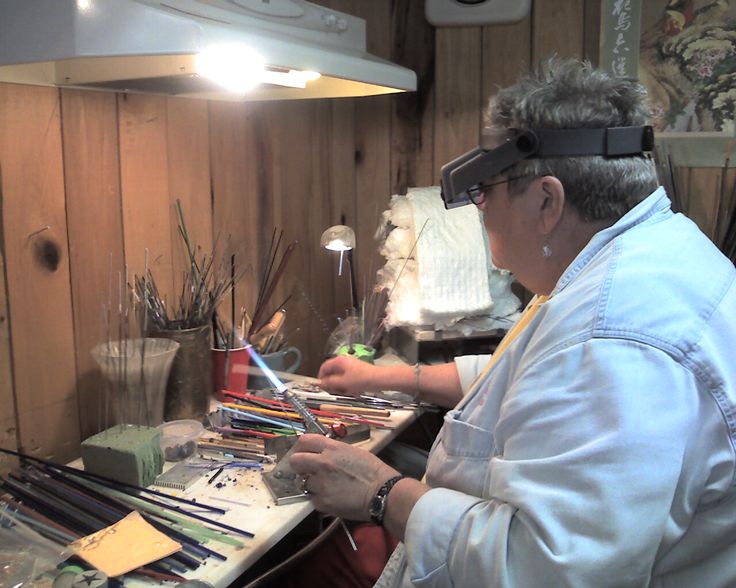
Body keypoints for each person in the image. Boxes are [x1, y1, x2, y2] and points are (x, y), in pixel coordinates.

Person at [289, 57, 736, 587]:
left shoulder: (611, 337)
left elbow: (541, 570)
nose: (478, 208)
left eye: (488, 189)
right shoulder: (637, 256)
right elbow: (523, 375)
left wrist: (380, 491)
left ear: (547, 200)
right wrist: (382, 377)